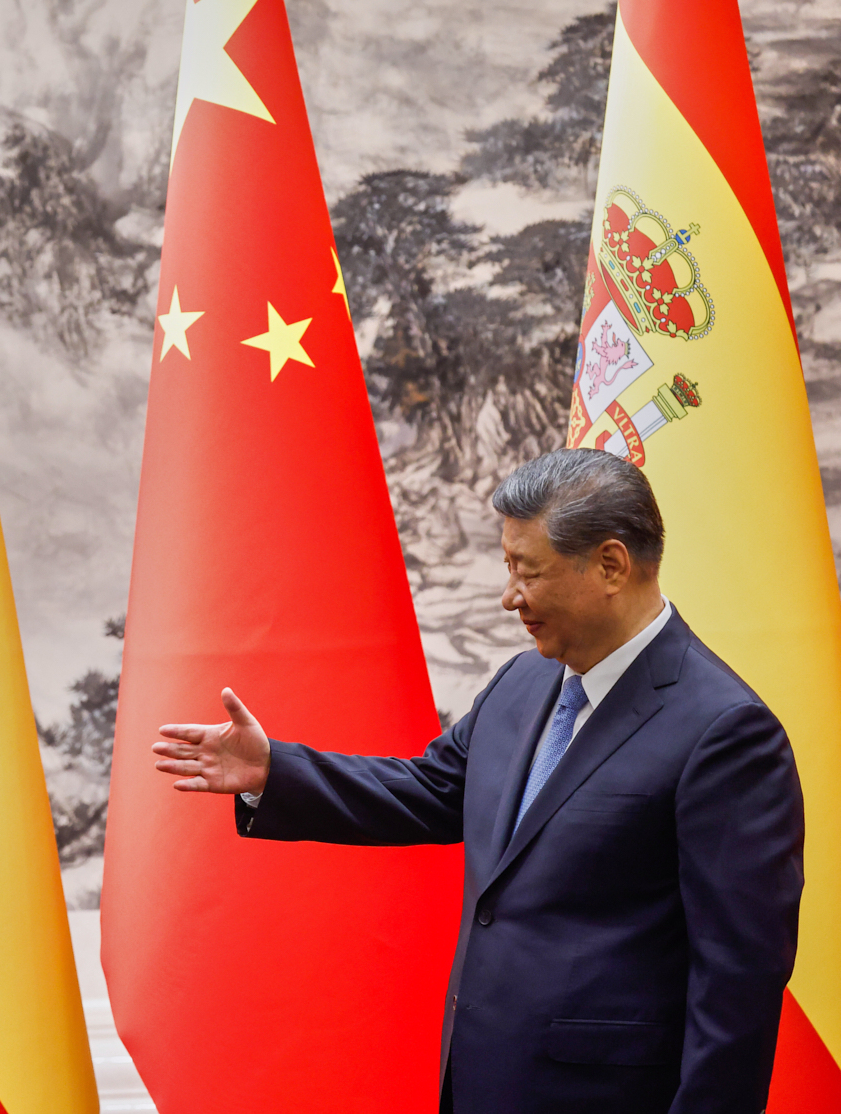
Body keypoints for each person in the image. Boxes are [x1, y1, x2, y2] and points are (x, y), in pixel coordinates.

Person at [152, 448, 803, 1114]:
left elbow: (738, 988)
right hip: (478, 1080)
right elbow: (431, 792)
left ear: (611, 565)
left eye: (529, 572)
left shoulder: (726, 733)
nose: (509, 596)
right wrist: (275, 771)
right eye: (507, 567)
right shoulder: (523, 683)